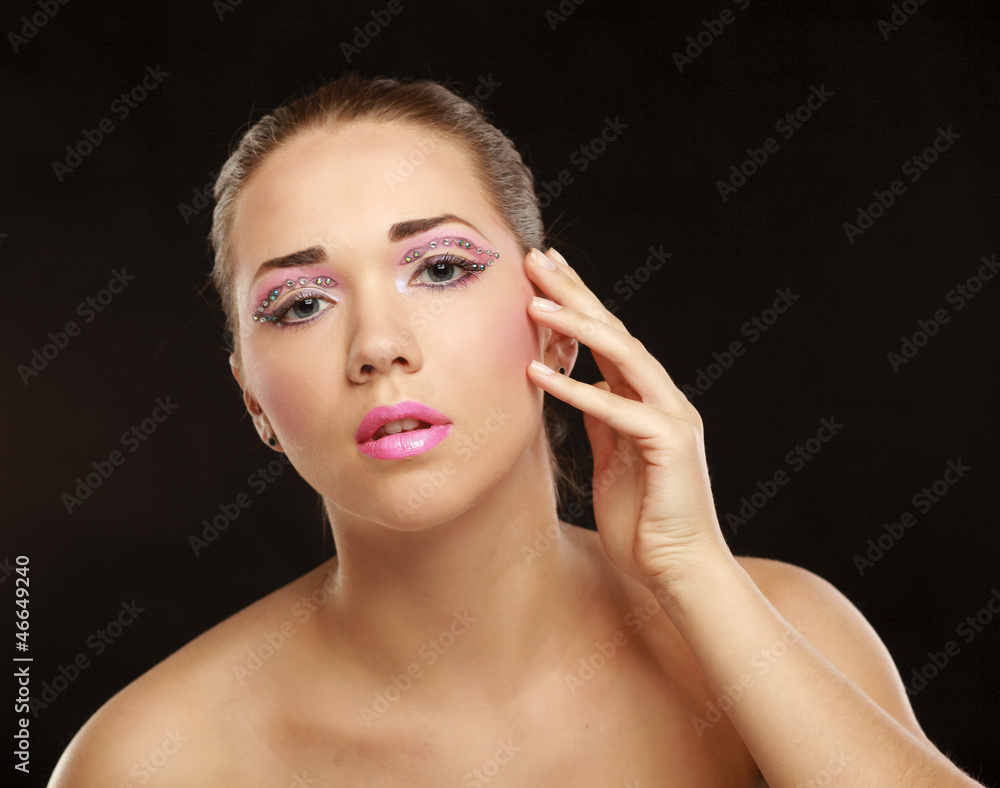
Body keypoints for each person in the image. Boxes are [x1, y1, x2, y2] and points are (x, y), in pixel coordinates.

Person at [48, 74, 983, 788]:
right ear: (251, 396)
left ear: (554, 324)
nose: (378, 346)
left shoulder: (782, 630)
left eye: (441, 269)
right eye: (300, 303)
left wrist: (695, 574)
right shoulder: (151, 760)